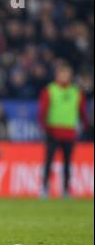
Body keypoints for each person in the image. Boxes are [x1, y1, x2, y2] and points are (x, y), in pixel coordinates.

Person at [38, 63, 89, 198]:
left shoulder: (76, 92)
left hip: (69, 132)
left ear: (70, 75)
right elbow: (43, 110)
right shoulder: (49, 90)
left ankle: (66, 190)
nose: (64, 76)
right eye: (62, 73)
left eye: (66, 73)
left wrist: (85, 125)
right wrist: (43, 125)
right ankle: (44, 188)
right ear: (57, 75)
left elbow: (82, 112)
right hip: (52, 131)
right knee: (48, 162)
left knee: (67, 163)